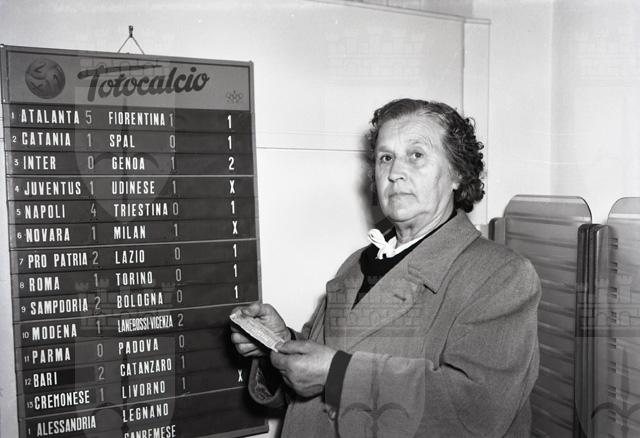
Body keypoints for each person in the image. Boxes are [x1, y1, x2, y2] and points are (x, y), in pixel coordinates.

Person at [230, 98, 541, 437]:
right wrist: (281, 345)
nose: (394, 173)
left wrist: (337, 375)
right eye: (386, 158)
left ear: (458, 173)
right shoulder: (357, 263)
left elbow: (476, 410)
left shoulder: (501, 275)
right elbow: (322, 372)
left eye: (416, 155)